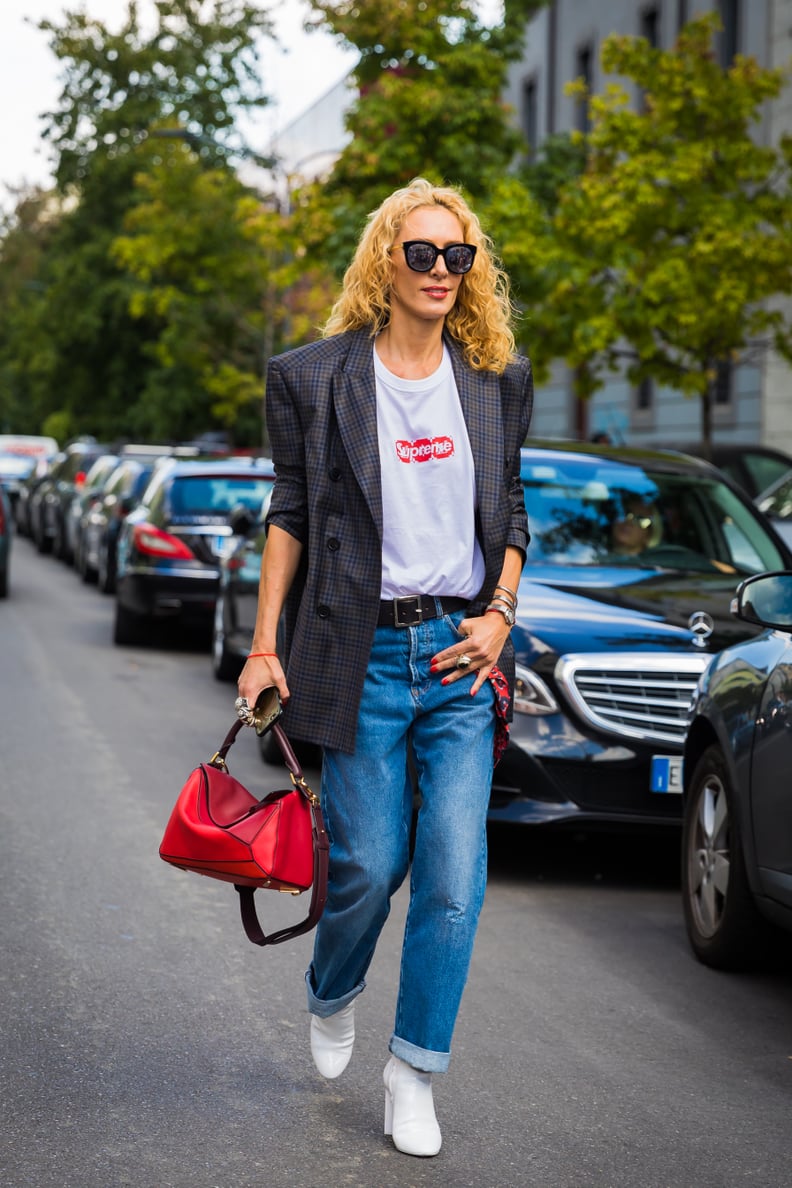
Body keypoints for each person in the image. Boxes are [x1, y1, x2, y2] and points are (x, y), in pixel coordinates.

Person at [236, 177, 533, 1158]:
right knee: (367, 864)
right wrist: (265, 641)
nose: (443, 271)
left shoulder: (495, 381)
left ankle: (415, 1072)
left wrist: (499, 613)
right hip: (358, 653)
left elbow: (513, 514)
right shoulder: (317, 379)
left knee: (454, 875)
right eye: (424, 253)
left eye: (460, 256)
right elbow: (287, 515)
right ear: (386, 262)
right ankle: (331, 988)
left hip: (457, 654)